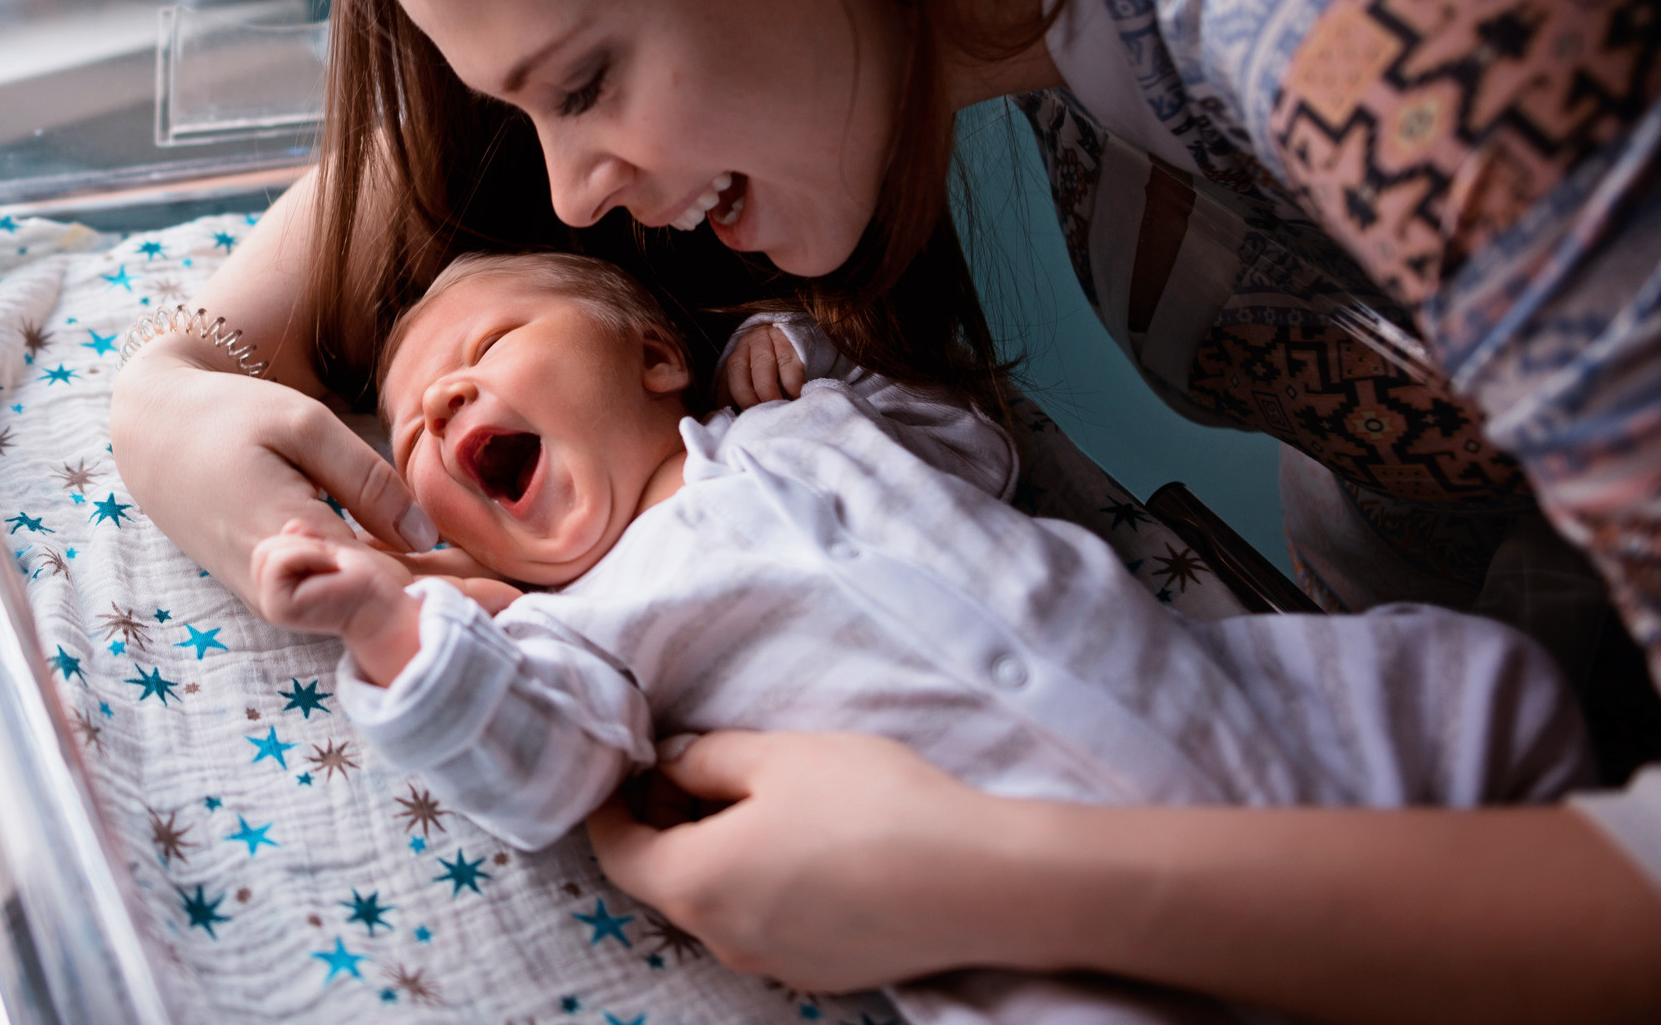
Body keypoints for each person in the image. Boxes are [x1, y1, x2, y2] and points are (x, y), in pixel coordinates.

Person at [110, 0, 1661, 1020]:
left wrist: (994, 876)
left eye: (585, 86)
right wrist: (173, 381)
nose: (572, 197)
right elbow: (409, 202)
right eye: (533, 103)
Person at [253, 250, 1588, 1023]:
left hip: (1240, 702)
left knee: (1485, 680)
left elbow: (979, 449)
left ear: (660, 356)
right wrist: (394, 625)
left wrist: (821, 362)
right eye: (420, 424)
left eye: (485, 343)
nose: (445, 404)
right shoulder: (584, 630)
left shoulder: (803, 426)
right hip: (1041, 944)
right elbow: (535, 761)